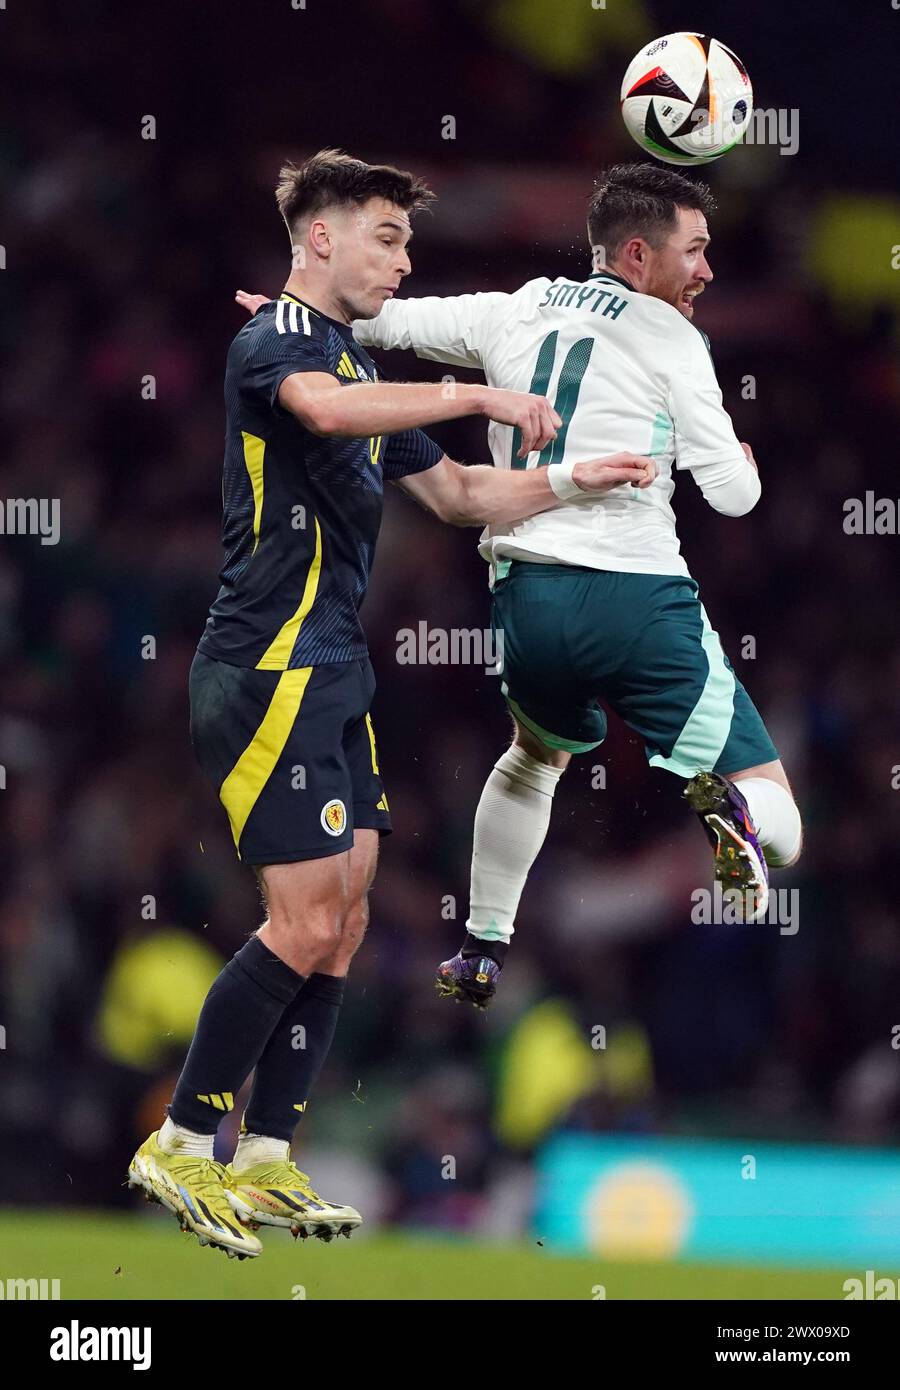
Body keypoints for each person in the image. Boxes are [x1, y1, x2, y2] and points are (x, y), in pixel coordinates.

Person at [128, 148, 655, 1258]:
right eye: (388, 236)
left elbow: (462, 491)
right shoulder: (277, 345)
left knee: (350, 918)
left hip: (335, 670)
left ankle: (266, 1154)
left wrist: (576, 478)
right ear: (319, 237)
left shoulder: (354, 361)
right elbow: (319, 412)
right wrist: (475, 389)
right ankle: (181, 1138)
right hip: (265, 664)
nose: (405, 259)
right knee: (305, 919)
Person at [347, 161, 804, 1009]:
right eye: (695, 252)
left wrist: (292, 318)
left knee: (531, 760)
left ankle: (482, 945)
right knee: (781, 824)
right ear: (637, 255)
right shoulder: (673, 339)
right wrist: (740, 461)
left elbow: (380, 319)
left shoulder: (516, 306)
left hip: (528, 600)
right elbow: (735, 502)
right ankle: (736, 817)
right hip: (639, 600)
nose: (706, 271)